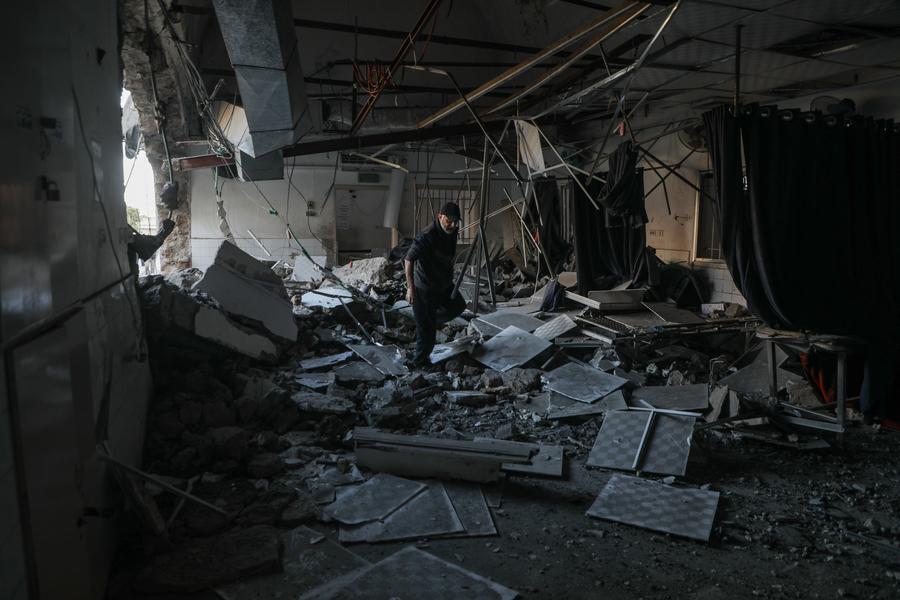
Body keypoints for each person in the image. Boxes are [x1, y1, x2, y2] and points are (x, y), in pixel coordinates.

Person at [404, 202, 467, 366]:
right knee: (427, 333)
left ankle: (428, 320)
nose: (452, 225)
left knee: (458, 306)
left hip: (442, 284)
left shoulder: (452, 231)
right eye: (449, 221)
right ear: (440, 217)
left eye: (455, 222)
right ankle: (418, 363)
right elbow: (408, 260)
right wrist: (410, 288)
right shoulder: (426, 236)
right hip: (424, 287)